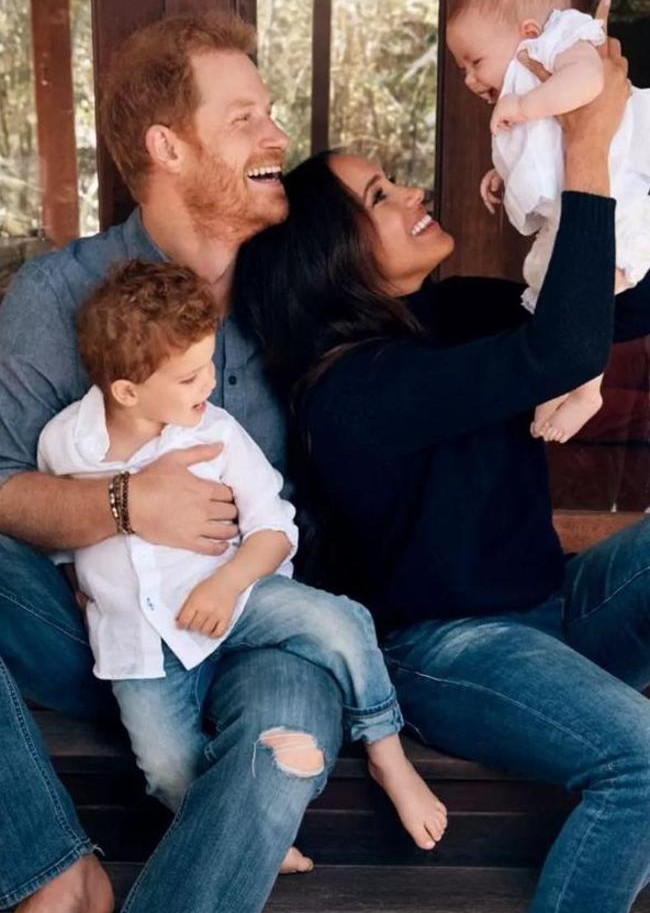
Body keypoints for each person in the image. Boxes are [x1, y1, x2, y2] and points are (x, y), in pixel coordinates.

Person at [235, 28, 650, 913]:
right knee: (643, 762)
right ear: (330, 258)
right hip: (449, 651)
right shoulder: (351, 391)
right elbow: (563, 346)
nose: (414, 190)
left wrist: (589, 169)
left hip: (551, 608)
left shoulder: (448, 312)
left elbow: (609, 308)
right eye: (381, 194)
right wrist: (578, 141)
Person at [0, 11, 346, 913]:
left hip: (260, 621)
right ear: (168, 146)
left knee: (285, 752)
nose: (278, 137)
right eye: (245, 119)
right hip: (110, 637)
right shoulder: (57, 294)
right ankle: (50, 870)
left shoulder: (300, 286)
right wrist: (125, 504)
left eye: (269, 113)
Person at [36, 258, 447, 852]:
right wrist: (78, 579)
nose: (208, 383)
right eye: (188, 377)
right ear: (127, 390)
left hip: (239, 593)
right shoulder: (65, 443)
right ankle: (239, 833)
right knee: (164, 765)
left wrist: (227, 584)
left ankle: (387, 752)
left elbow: (275, 529)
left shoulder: (217, 433)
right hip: (140, 644)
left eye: (209, 364)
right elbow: (61, 529)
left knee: (341, 622)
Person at [446, 0, 650, 444]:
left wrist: (523, 105)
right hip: (574, 209)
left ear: (529, 31)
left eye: (475, 62)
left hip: (615, 202)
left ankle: (587, 388)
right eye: (462, 70)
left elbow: (589, 84)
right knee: (551, 292)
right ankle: (562, 379)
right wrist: (502, 173)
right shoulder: (530, 81)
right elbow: (544, 149)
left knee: (588, 291)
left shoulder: (566, 42)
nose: (472, 81)